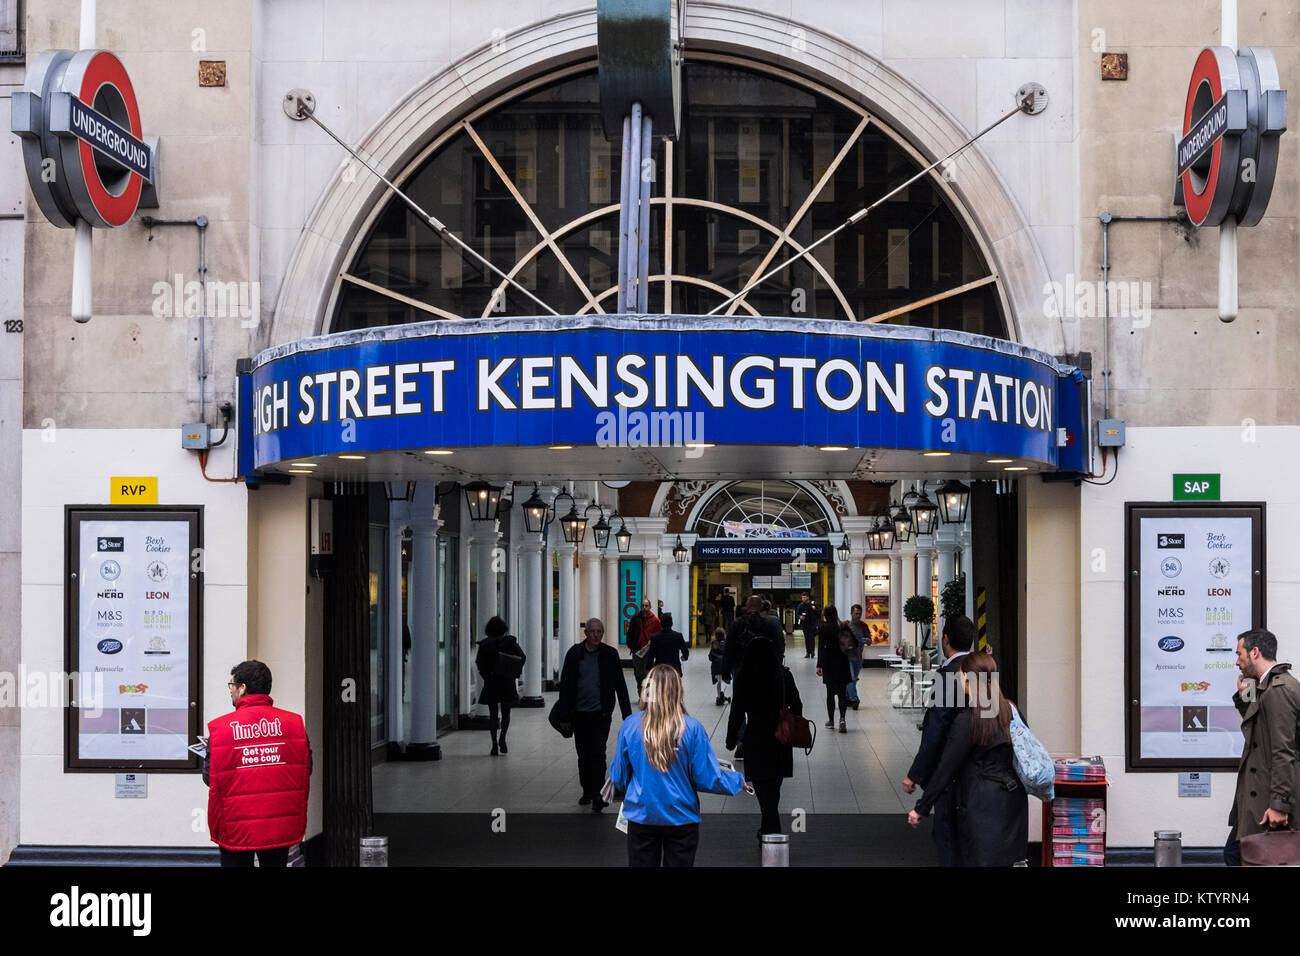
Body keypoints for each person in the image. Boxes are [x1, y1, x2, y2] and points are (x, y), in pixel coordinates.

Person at [609, 664, 748, 866]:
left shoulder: (630, 725)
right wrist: (737, 781)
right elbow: (706, 777)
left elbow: (618, 776)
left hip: (642, 816)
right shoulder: (691, 728)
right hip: (682, 818)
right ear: (677, 691)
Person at [907, 651, 1028, 866]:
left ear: (967, 678)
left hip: (980, 804)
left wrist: (922, 807)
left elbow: (947, 767)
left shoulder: (968, 720)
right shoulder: (1011, 711)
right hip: (1012, 801)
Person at [204, 660, 311, 867]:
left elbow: (209, 777)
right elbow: (306, 769)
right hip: (278, 824)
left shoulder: (221, 729)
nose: (231, 691)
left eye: (232, 685)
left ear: (242, 688)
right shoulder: (294, 725)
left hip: (235, 825)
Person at [902, 614, 976, 866]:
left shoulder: (947, 676)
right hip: (979, 775)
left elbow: (935, 732)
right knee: (969, 840)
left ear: (945, 640)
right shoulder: (984, 674)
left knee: (947, 837)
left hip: (950, 775)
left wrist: (915, 774)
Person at [1225, 628, 1300, 866]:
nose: (1237, 661)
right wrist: (1244, 696)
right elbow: (1258, 729)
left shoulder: (1279, 690)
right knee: (1236, 854)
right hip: (1258, 797)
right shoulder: (1266, 687)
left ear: (1255, 652)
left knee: (1239, 856)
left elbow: (1283, 750)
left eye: (1240, 654)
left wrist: (1279, 804)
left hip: (1269, 801)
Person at [726, 636, 801, 837]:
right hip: (780, 739)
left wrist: (731, 738)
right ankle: (768, 829)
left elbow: (737, 710)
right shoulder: (783, 675)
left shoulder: (745, 677)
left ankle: (771, 831)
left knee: (763, 789)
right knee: (773, 790)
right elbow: (798, 705)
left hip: (756, 738)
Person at [558, 618, 632, 812]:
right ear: (586, 633)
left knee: (598, 753)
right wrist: (565, 716)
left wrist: (628, 714)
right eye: (593, 631)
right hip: (579, 714)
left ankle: (598, 794)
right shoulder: (574, 654)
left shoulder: (610, 654)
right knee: (583, 754)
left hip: (601, 714)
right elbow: (565, 686)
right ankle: (587, 790)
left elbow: (620, 685)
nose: (596, 635)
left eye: (600, 631)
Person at [475, 615, 525, 756]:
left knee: (493, 714)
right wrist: (514, 671)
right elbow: (522, 656)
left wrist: (486, 676)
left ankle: (494, 745)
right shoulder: (509, 642)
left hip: (491, 681)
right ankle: (503, 737)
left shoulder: (484, 644)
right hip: (506, 681)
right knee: (506, 712)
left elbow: (479, 663)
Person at [816, 604, 851, 733]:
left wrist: (819, 665)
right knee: (842, 693)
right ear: (836, 613)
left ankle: (831, 721)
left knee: (830, 693)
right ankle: (842, 719)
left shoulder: (823, 628)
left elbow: (820, 647)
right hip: (842, 661)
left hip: (829, 663)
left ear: (825, 615)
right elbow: (855, 643)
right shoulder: (843, 626)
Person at [625, 599, 662, 698]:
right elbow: (630, 634)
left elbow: (659, 635)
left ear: (650, 607)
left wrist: (653, 642)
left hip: (649, 652)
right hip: (637, 651)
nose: (644, 608)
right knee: (638, 673)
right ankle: (640, 693)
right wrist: (632, 647)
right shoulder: (635, 619)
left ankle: (647, 695)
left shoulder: (655, 621)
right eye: (643, 606)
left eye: (646, 606)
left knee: (648, 673)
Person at [646, 611, 691, 675]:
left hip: (660, 669)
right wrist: (684, 657)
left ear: (661, 624)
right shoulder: (678, 636)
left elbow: (651, 655)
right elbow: (685, 652)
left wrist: (648, 668)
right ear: (671, 623)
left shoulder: (655, 637)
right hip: (675, 668)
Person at [844, 604, 869, 710]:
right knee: (851, 678)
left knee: (853, 680)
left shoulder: (863, 626)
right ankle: (855, 699)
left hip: (858, 657)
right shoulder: (846, 625)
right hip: (847, 657)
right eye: (856, 614)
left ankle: (847, 698)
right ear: (851, 613)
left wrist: (865, 640)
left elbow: (870, 640)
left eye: (859, 614)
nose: (858, 616)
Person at [709, 628, 730, 706]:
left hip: (716, 665)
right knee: (724, 679)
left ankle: (719, 696)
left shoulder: (714, 643)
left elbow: (710, 656)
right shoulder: (727, 643)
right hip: (724, 664)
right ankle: (722, 695)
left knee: (719, 681)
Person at [797, 592, 819, 659]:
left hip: (812, 624)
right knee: (807, 639)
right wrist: (800, 617)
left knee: (811, 638)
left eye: (804, 597)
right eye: (802, 597)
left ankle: (812, 652)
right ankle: (807, 652)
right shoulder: (800, 605)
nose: (803, 599)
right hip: (805, 625)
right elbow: (797, 614)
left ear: (808, 597)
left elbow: (818, 612)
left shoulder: (813, 604)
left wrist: (814, 609)